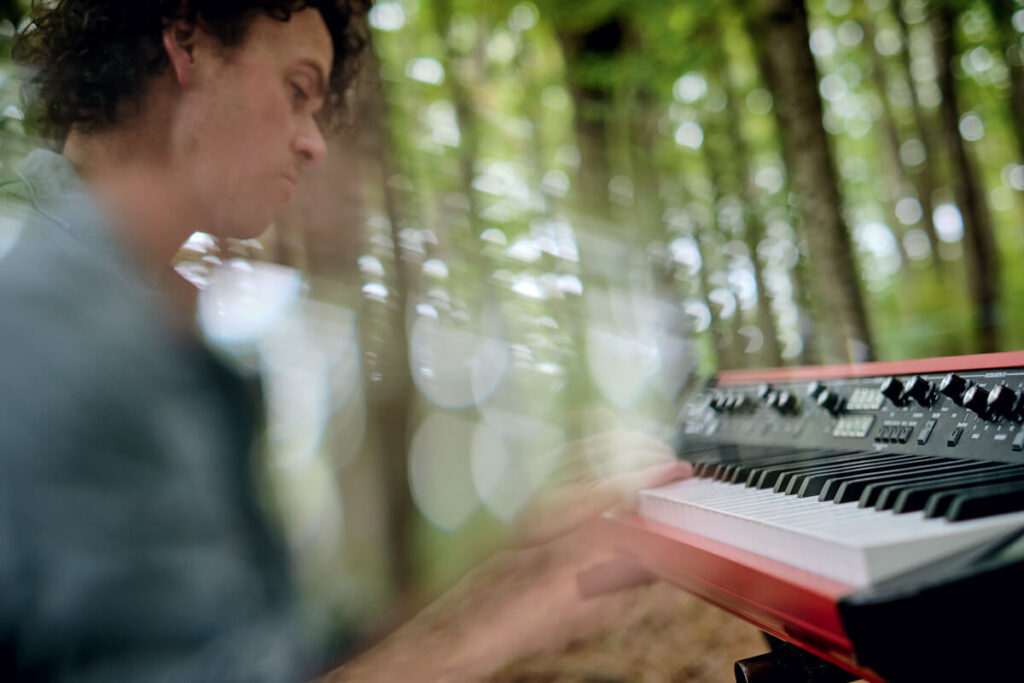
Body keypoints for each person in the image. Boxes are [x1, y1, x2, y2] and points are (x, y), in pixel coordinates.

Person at [0, 2, 690, 681]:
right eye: (297, 91)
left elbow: (257, 648)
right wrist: (531, 605)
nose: (314, 141)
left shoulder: (113, 301)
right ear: (188, 42)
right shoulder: (66, 328)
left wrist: (512, 561)